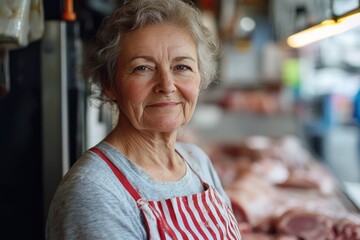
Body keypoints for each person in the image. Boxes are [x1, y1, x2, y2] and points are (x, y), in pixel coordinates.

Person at [46, 0, 242, 239]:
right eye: (142, 68)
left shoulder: (197, 162)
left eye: (182, 67)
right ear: (109, 84)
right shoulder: (94, 190)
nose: (167, 85)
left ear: (200, 78)